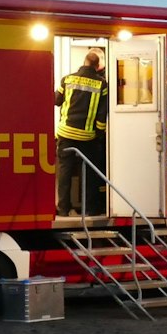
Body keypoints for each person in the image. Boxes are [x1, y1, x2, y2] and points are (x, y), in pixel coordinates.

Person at [53, 51, 109, 216]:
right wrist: (100, 133)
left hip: (66, 133)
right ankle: (90, 209)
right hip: (87, 137)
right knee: (89, 173)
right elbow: (101, 114)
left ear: (84, 62)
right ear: (97, 66)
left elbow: (56, 100)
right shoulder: (102, 84)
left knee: (65, 171)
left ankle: (63, 209)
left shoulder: (67, 79)